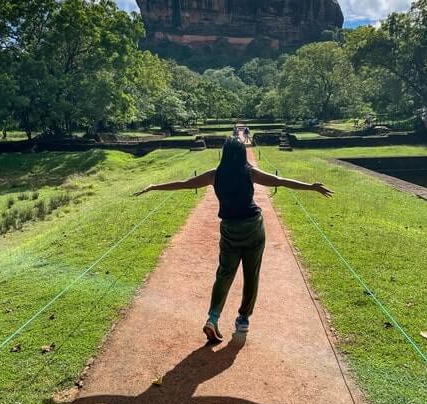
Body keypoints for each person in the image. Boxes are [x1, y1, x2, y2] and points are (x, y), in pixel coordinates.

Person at [135, 138, 332, 344]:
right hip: (253, 227)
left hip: (229, 228)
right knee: (251, 273)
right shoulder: (249, 172)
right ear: (242, 153)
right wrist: (311, 186)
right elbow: (280, 181)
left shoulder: (214, 175)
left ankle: (213, 318)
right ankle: (243, 318)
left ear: (225, 153)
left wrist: (154, 186)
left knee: (224, 273)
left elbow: (184, 184)